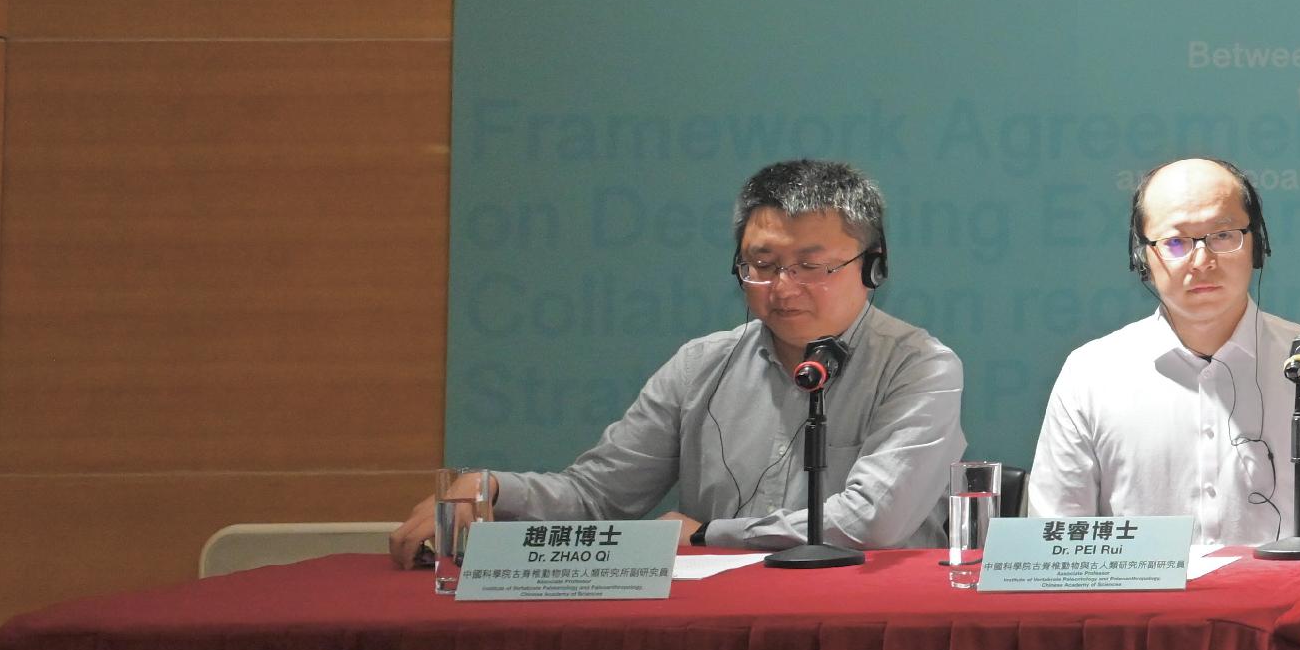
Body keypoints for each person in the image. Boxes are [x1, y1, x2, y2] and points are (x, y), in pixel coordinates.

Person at [392, 159, 966, 562]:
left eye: (812, 266)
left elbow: (874, 523)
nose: (783, 287)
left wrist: (711, 535)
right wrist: (491, 489)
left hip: (866, 616)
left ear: (873, 267)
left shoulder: (920, 366)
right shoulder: (701, 365)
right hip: (717, 622)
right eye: (761, 264)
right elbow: (597, 499)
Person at [1028, 157, 1300, 544]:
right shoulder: (1091, 373)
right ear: (1142, 258)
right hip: (1140, 603)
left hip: (1286, 602)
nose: (1202, 261)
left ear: (1257, 245)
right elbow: (1055, 532)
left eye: (1222, 235)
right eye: (1175, 242)